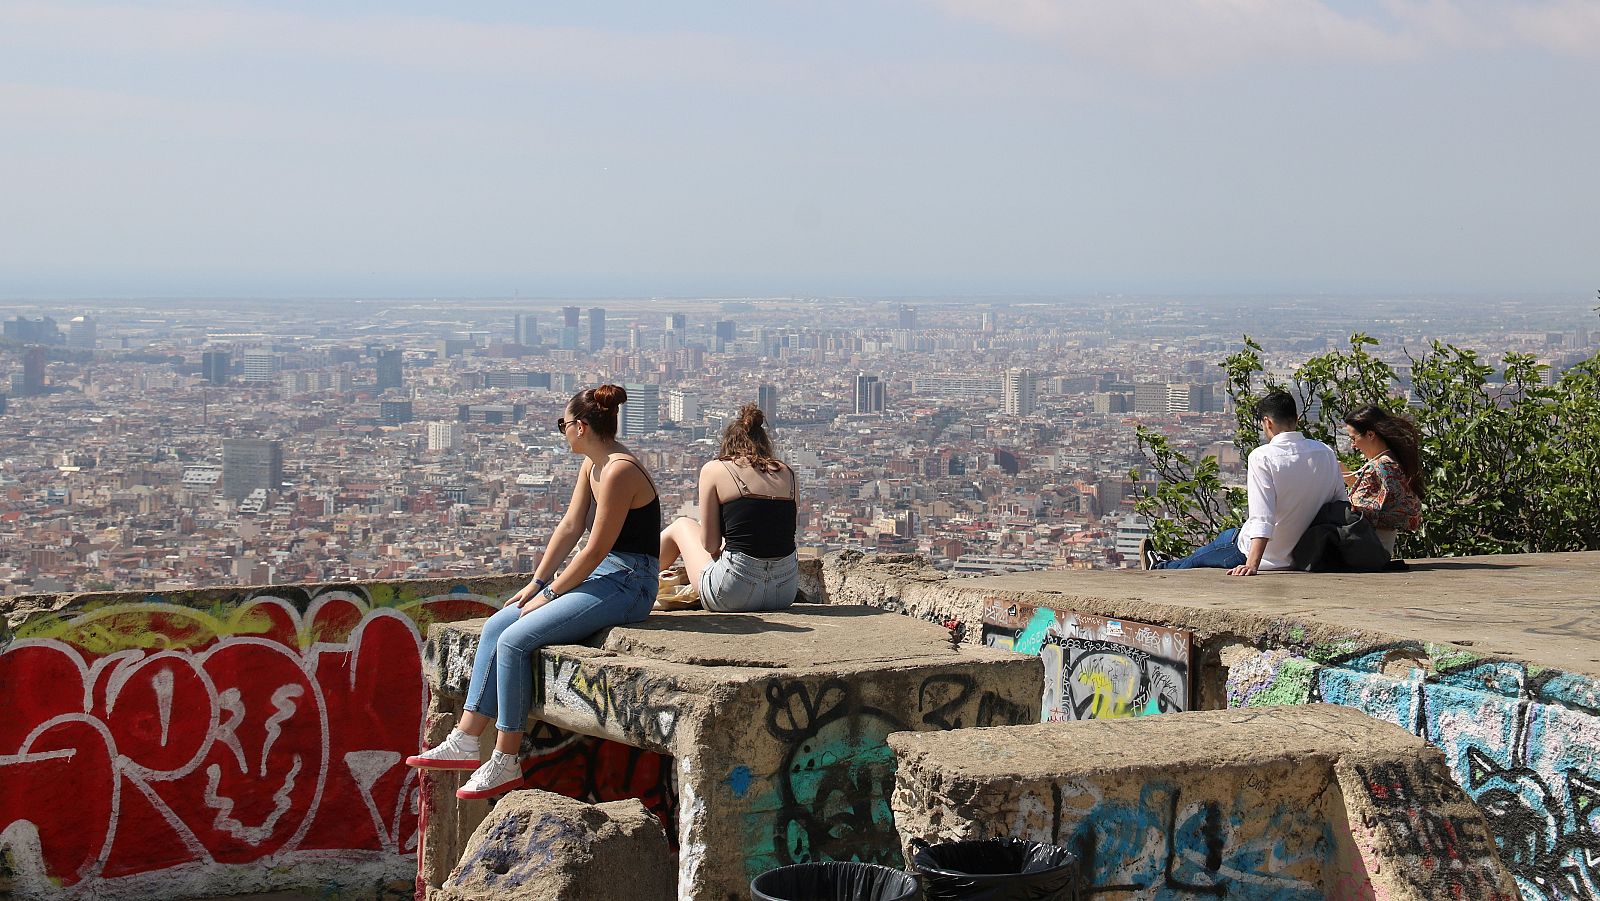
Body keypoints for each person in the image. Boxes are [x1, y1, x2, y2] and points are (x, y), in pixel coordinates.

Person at [406, 384, 660, 799]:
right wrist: (536, 583)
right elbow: (570, 527)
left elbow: (595, 547)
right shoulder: (593, 467)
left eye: (562, 424)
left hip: (630, 582)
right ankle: (467, 738)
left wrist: (552, 592)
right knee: (496, 626)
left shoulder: (618, 470)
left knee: (515, 641)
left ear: (580, 426)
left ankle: (505, 760)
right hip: (606, 577)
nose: (562, 432)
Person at [1145, 391, 1346, 575]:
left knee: (1207, 553)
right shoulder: (1325, 453)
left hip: (1264, 555)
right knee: (1208, 551)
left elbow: (1262, 517)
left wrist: (1252, 564)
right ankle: (1163, 562)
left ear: (1267, 422)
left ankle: (1160, 566)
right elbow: (1340, 505)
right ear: (1297, 419)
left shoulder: (1263, 457)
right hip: (1308, 554)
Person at [659, 402, 799, 612]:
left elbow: (709, 545)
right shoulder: (787, 473)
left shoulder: (715, 469)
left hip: (732, 591)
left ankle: (635, 579)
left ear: (727, 442)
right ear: (764, 442)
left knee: (682, 525)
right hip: (784, 592)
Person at [1342, 405, 1425, 558]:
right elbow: (1379, 498)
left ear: (1370, 435)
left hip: (1367, 547)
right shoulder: (1393, 461)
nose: (1353, 445)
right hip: (1380, 547)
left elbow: (1364, 509)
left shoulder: (1381, 466)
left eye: (1353, 439)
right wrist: (1346, 475)